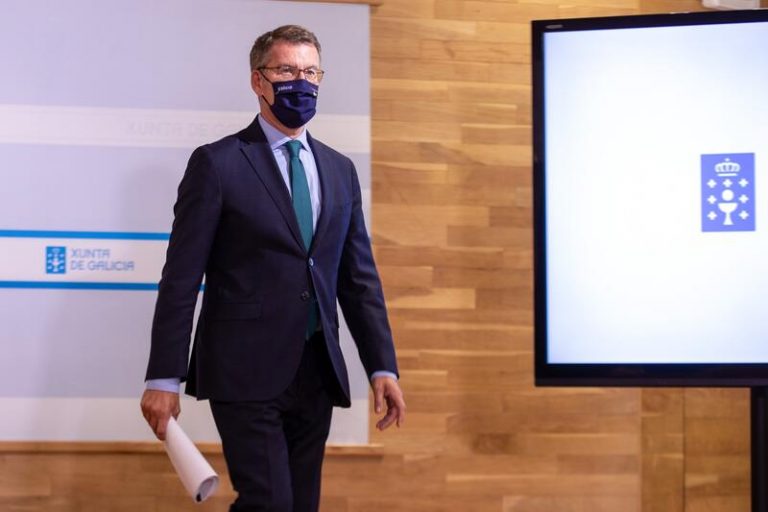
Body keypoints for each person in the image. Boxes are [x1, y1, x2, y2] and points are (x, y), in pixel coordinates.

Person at [140, 24, 405, 512]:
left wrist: (381, 365)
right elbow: (180, 279)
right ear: (257, 80)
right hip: (242, 369)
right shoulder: (217, 164)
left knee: (301, 505)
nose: (300, 83)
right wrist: (163, 378)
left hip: (317, 369)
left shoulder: (340, 170)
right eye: (286, 70)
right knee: (269, 503)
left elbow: (358, 280)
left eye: (311, 72)